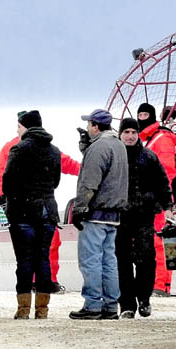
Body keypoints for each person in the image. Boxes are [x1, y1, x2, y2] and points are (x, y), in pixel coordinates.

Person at [0, 111, 80, 294]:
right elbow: (64, 166)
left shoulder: (12, 147)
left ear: (24, 126)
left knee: (25, 253)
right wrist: (85, 171)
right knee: (46, 249)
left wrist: (4, 201)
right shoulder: (51, 148)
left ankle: (28, 295)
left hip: (21, 207)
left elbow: (3, 177)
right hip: (46, 206)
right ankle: (47, 284)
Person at [69, 109, 128, 320]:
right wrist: (86, 147)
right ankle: (111, 305)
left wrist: (79, 208)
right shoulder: (118, 145)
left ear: (95, 126)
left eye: (88, 125)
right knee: (108, 260)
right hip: (114, 214)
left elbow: (89, 181)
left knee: (90, 260)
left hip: (95, 213)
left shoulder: (99, 147)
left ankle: (93, 304)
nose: (87, 128)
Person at [2, 110, 61, 319]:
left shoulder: (18, 149)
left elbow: (7, 181)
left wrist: (16, 198)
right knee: (42, 258)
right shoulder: (54, 151)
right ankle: (42, 310)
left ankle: (23, 308)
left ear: (26, 127)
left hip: (23, 211)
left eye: (18, 126)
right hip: (48, 209)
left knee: (25, 260)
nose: (17, 130)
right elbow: (55, 182)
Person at [115, 118, 172, 319]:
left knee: (146, 260)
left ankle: (144, 299)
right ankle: (127, 305)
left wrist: (167, 206)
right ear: (120, 134)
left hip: (143, 216)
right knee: (121, 262)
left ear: (138, 134)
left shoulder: (149, 157)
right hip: (119, 217)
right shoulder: (114, 157)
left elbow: (162, 183)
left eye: (133, 132)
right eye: (126, 132)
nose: (130, 136)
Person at [137, 103, 176, 296]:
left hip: (157, 200)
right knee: (154, 243)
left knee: (160, 242)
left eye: (145, 114)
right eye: (140, 114)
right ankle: (157, 284)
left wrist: (160, 197)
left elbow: (168, 171)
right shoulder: (148, 140)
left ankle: (162, 284)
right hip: (150, 199)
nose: (142, 117)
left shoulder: (160, 139)